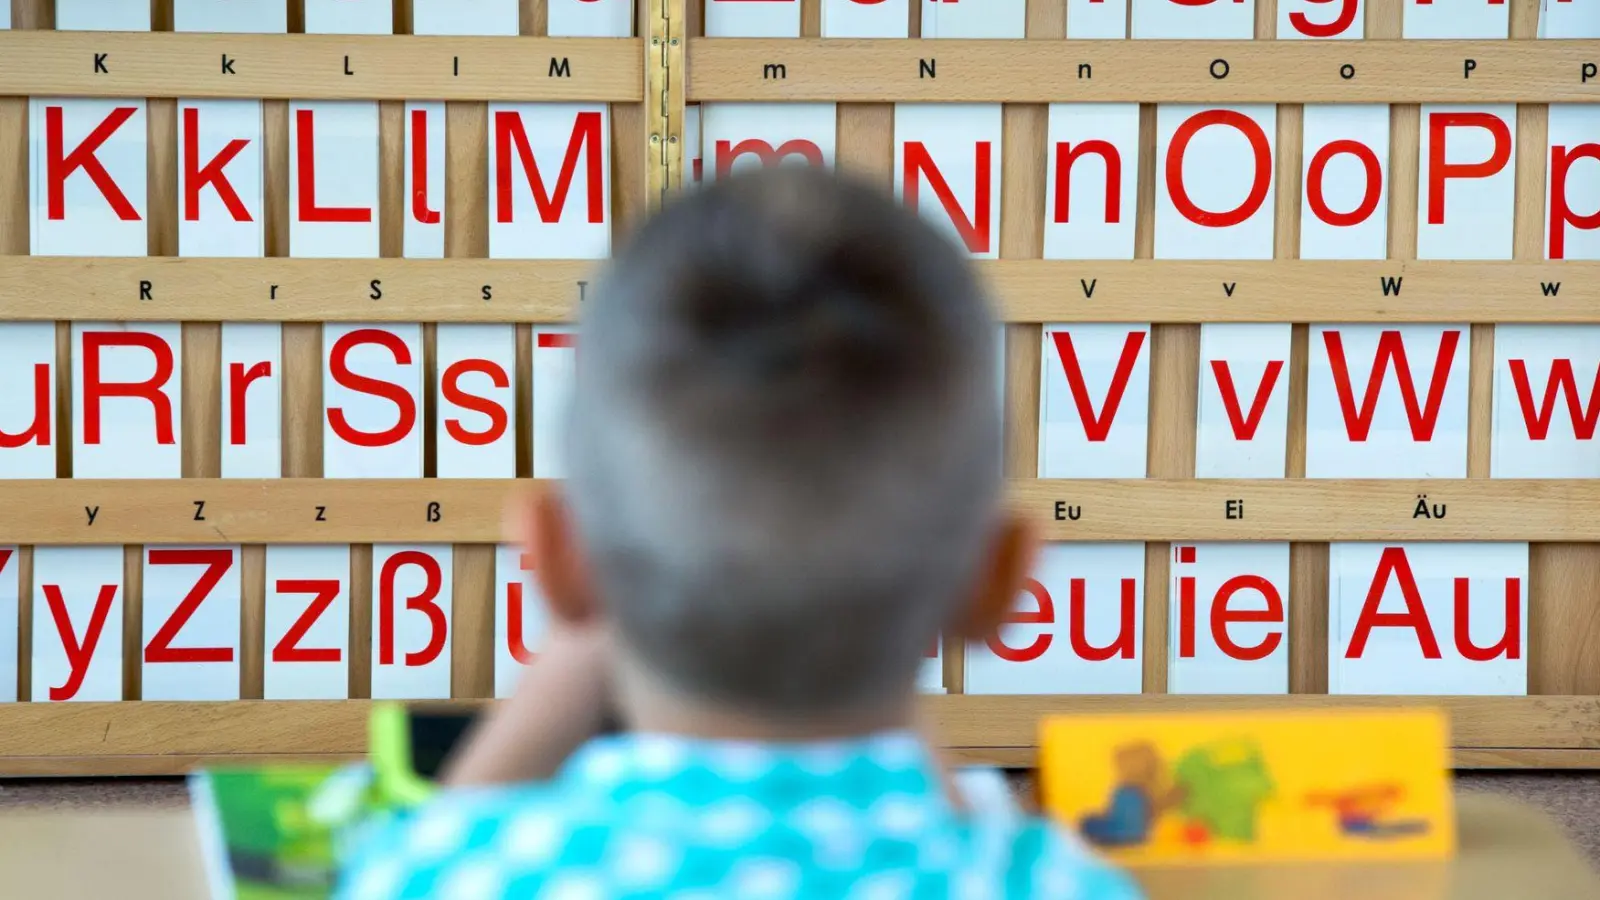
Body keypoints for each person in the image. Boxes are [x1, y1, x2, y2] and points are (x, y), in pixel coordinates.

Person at [335, 168, 1144, 899]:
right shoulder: (1063, 886)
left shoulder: (442, 875)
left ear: (552, 561)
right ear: (1003, 581)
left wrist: (588, 613)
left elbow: (436, 848)